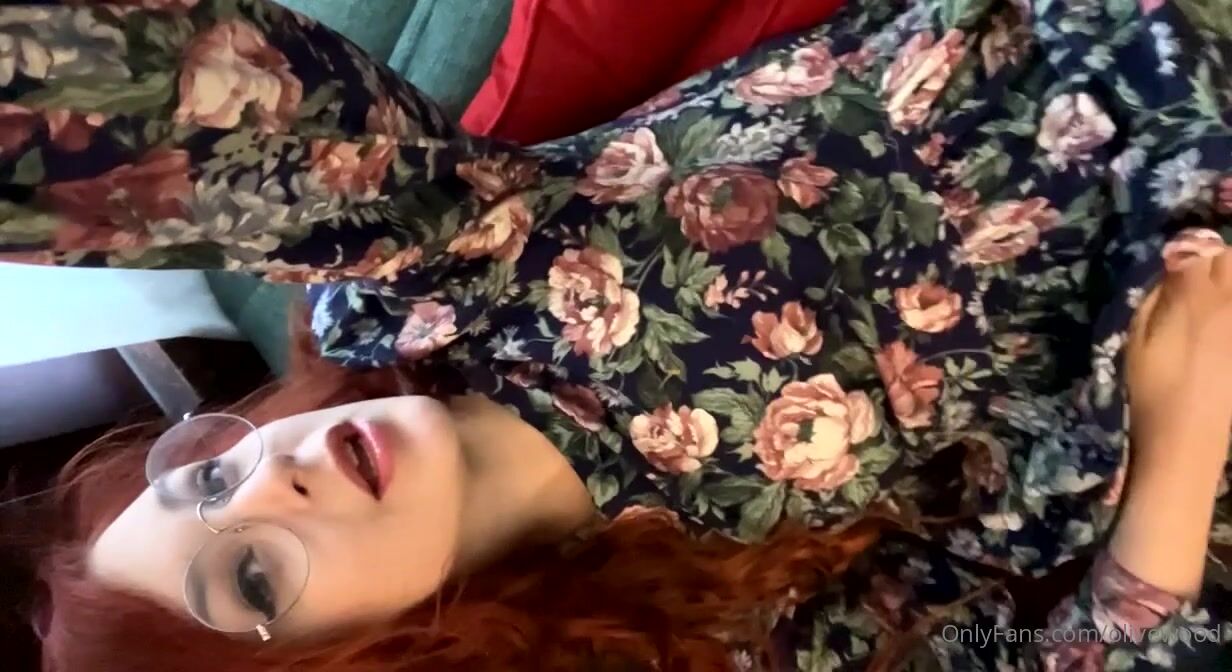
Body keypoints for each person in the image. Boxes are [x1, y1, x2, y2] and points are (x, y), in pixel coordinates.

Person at [1, 0, 1230, 670]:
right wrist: (1182, 443)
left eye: (209, 478)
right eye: (253, 577)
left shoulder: (419, 289)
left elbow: (189, 117)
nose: (272, 474)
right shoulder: (714, 638)